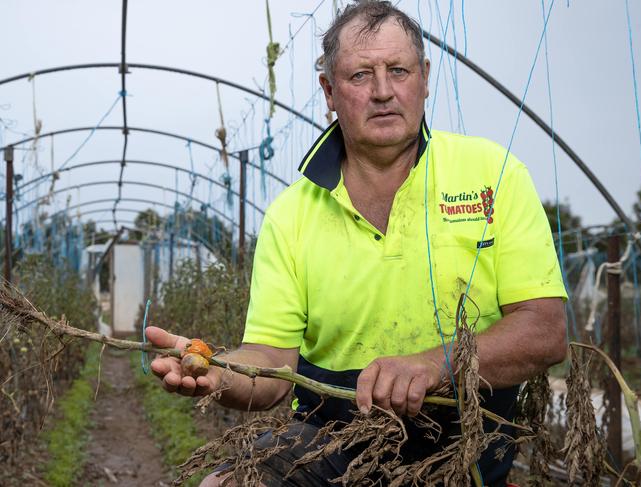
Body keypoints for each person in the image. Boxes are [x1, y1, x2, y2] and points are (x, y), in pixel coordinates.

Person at [146, 1, 568, 485]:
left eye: (399, 70)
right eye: (361, 75)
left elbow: (544, 328)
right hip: (330, 443)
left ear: (425, 78)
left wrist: (434, 365)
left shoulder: (493, 176)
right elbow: (270, 360)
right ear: (329, 90)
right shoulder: (292, 215)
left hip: (465, 448)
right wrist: (218, 373)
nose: (384, 91)